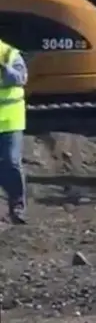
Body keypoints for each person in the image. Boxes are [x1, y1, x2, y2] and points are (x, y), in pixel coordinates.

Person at [0, 37, 27, 225]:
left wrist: (4, 69)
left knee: (11, 162)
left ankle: (17, 206)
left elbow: (21, 78)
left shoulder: (9, 54)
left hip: (10, 121)